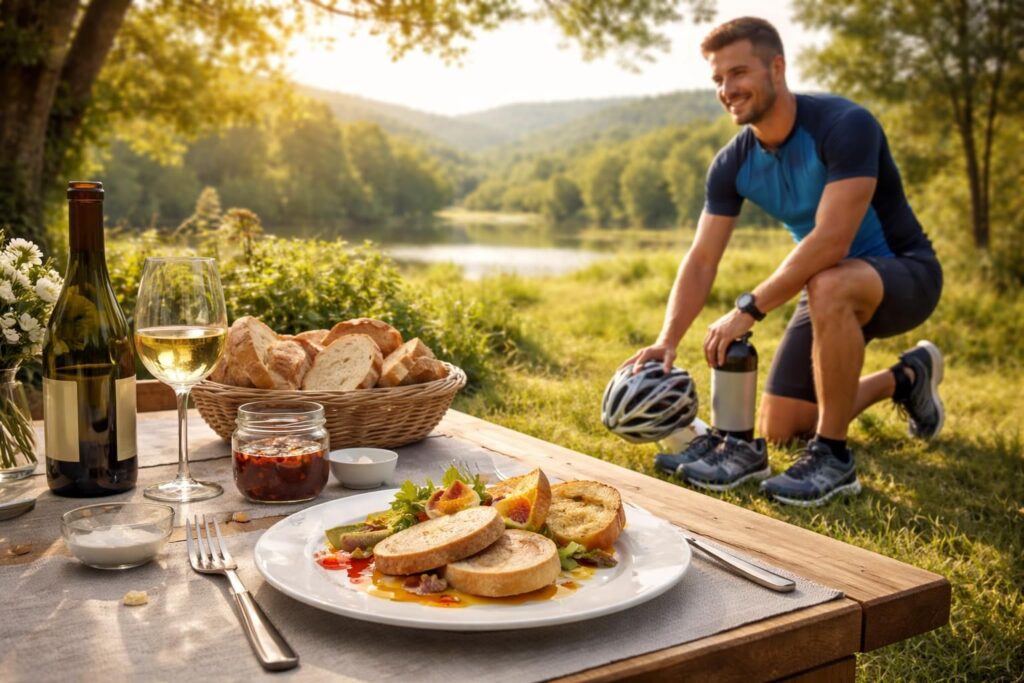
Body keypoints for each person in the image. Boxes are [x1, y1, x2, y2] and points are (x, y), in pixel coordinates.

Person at [623, 17, 944, 506]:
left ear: (777, 67)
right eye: (718, 79)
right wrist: (667, 340)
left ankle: (834, 457)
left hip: (904, 275)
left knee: (829, 282)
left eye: (738, 72)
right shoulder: (733, 164)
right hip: (828, 288)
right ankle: (907, 377)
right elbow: (703, 257)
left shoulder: (844, 125)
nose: (728, 89)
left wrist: (748, 308)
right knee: (781, 426)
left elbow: (832, 240)